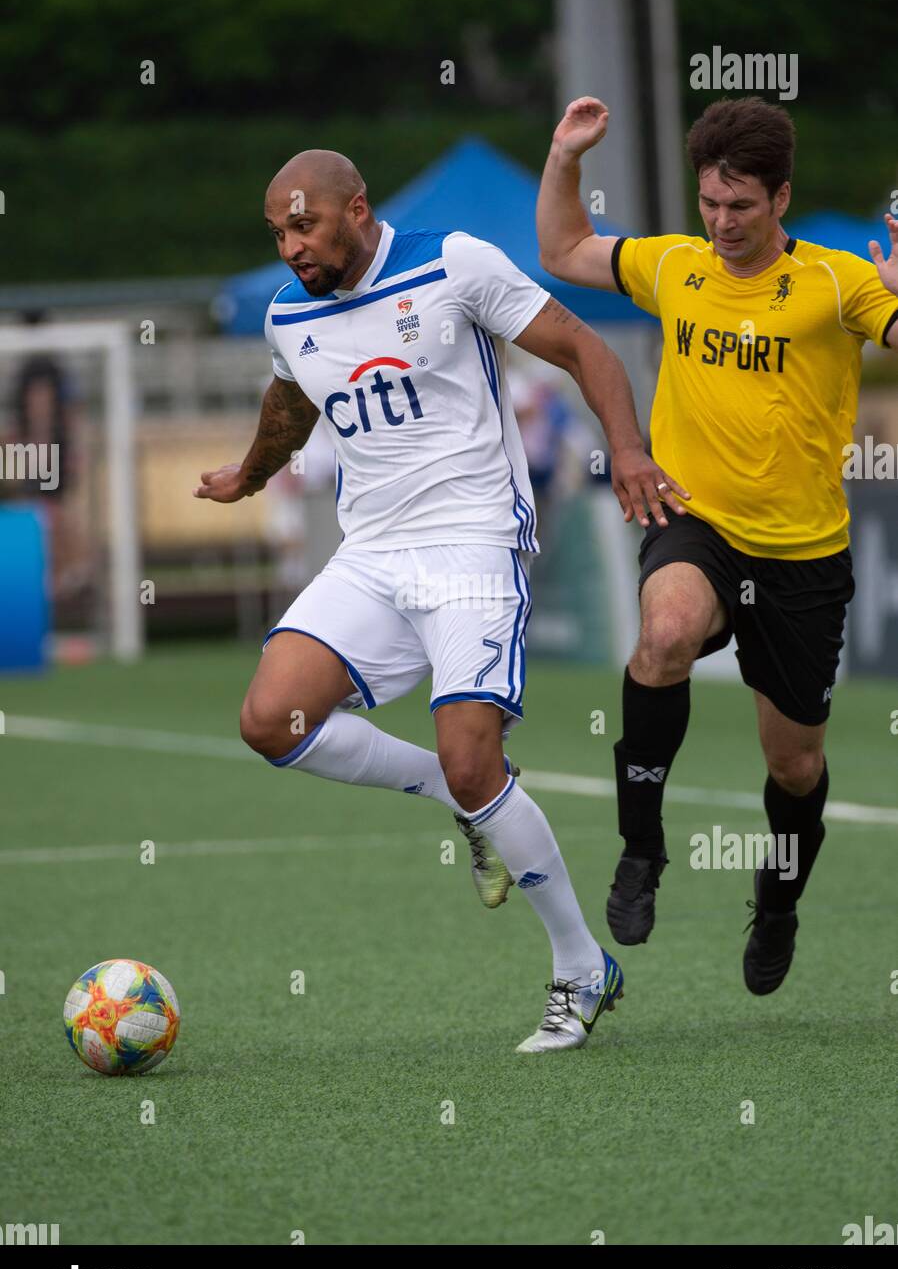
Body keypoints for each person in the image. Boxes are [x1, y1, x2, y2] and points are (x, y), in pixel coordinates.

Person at [195, 148, 682, 1051]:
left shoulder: (452, 263)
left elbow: (585, 347)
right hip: (372, 556)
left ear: (356, 210)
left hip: (471, 548)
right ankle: (462, 801)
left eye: (305, 225)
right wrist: (250, 474)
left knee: (473, 760)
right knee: (271, 720)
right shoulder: (287, 311)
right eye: (279, 232)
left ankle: (582, 969)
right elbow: (291, 399)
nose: (292, 246)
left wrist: (630, 449)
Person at [537, 96, 898, 993]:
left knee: (795, 762)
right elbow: (563, 250)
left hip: (805, 555)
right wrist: (563, 157)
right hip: (695, 524)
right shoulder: (674, 265)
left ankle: (777, 904)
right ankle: (641, 852)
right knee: (662, 637)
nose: (722, 222)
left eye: (741, 206)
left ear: (781, 197)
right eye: (710, 203)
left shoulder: (840, 282)